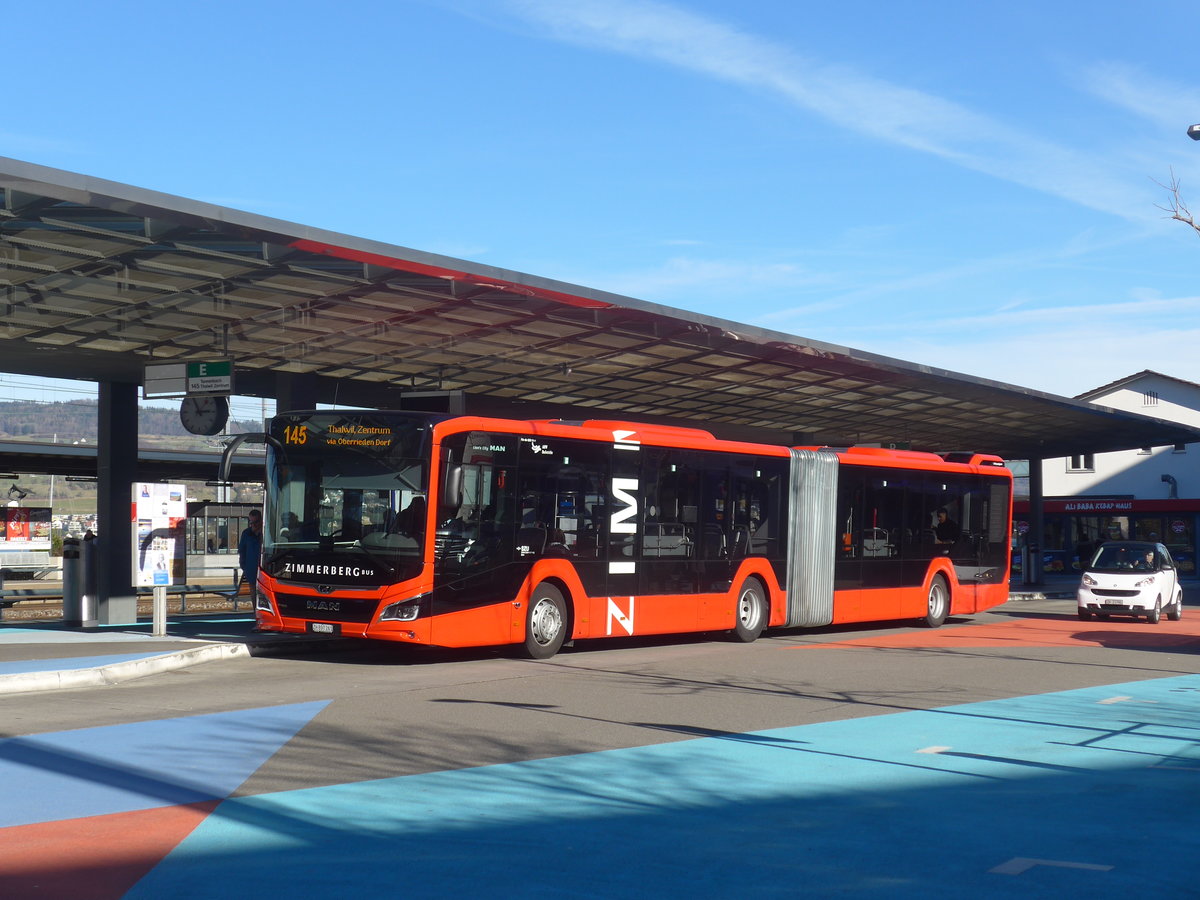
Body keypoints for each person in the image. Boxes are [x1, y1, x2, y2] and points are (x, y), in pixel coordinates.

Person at [238, 509, 263, 604]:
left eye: (255, 522)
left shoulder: (266, 534)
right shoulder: (246, 534)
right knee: (253, 592)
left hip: (264, 569)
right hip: (251, 569)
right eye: (251, 522)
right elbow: (242, 551)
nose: (253, 525)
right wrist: (244, 566)